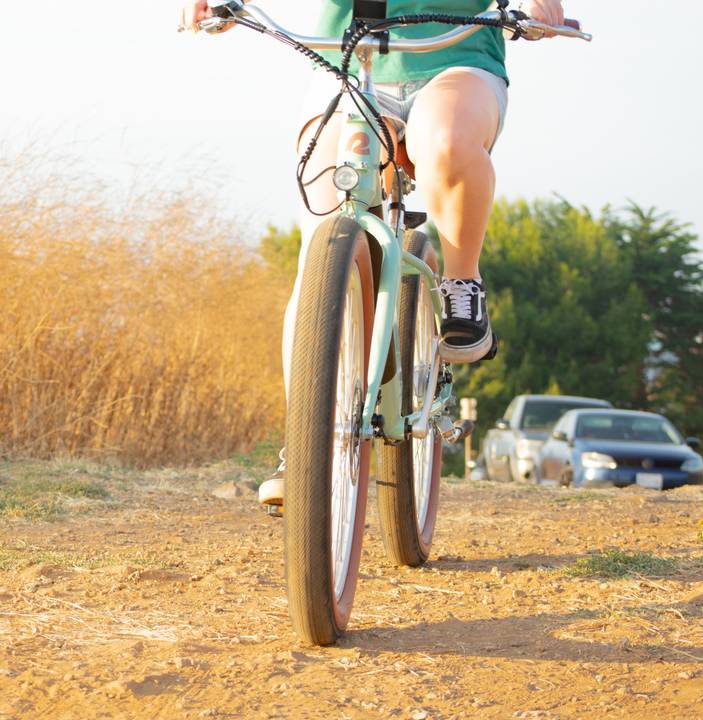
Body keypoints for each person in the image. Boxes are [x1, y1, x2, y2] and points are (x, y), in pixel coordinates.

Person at [181, 0, 565, 508]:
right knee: (321, 244)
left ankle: (462, 283)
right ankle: (306, 444)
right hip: (343, 60)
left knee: (445, 141)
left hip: (455, 57)